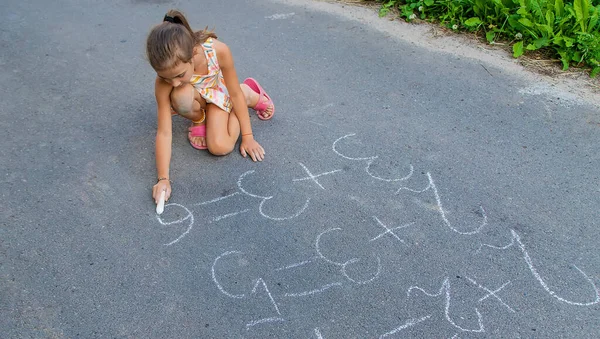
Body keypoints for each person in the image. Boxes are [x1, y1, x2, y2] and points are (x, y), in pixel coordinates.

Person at [146, 9, 275, 206]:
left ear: (192, 55)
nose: (172, 83)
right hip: (199, 97)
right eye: (165, 77)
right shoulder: (166, 82)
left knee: (220, 147)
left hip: (221, 92)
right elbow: (164, 132)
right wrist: (163, 179)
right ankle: (201, 118)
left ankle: (249, 93)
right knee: (179, 95)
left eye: (179, 75)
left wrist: (248, 137)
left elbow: (233, 94)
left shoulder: (218, 51)